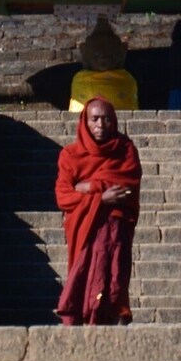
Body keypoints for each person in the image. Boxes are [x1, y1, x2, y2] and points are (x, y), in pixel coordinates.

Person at [55, 97, 142, 325]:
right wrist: (101, 197)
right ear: (85, 121)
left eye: (106, 120)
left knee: (113, 276)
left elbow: (126, 186)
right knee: (85, 272)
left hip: (115, 228)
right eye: (94, 119)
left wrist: (88, 187)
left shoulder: (125, 150)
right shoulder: (71, 155)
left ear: (114, 122)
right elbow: (64, 196)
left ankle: (113, 314)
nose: (100, 126)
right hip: (85, 228)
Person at [69, 15, 139, 112]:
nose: (103, 58)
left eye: (109, 55)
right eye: (96, 55)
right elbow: (78, 116)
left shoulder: (126, 80)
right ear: (84, 52)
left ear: (121, 52)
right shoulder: (80, 80)